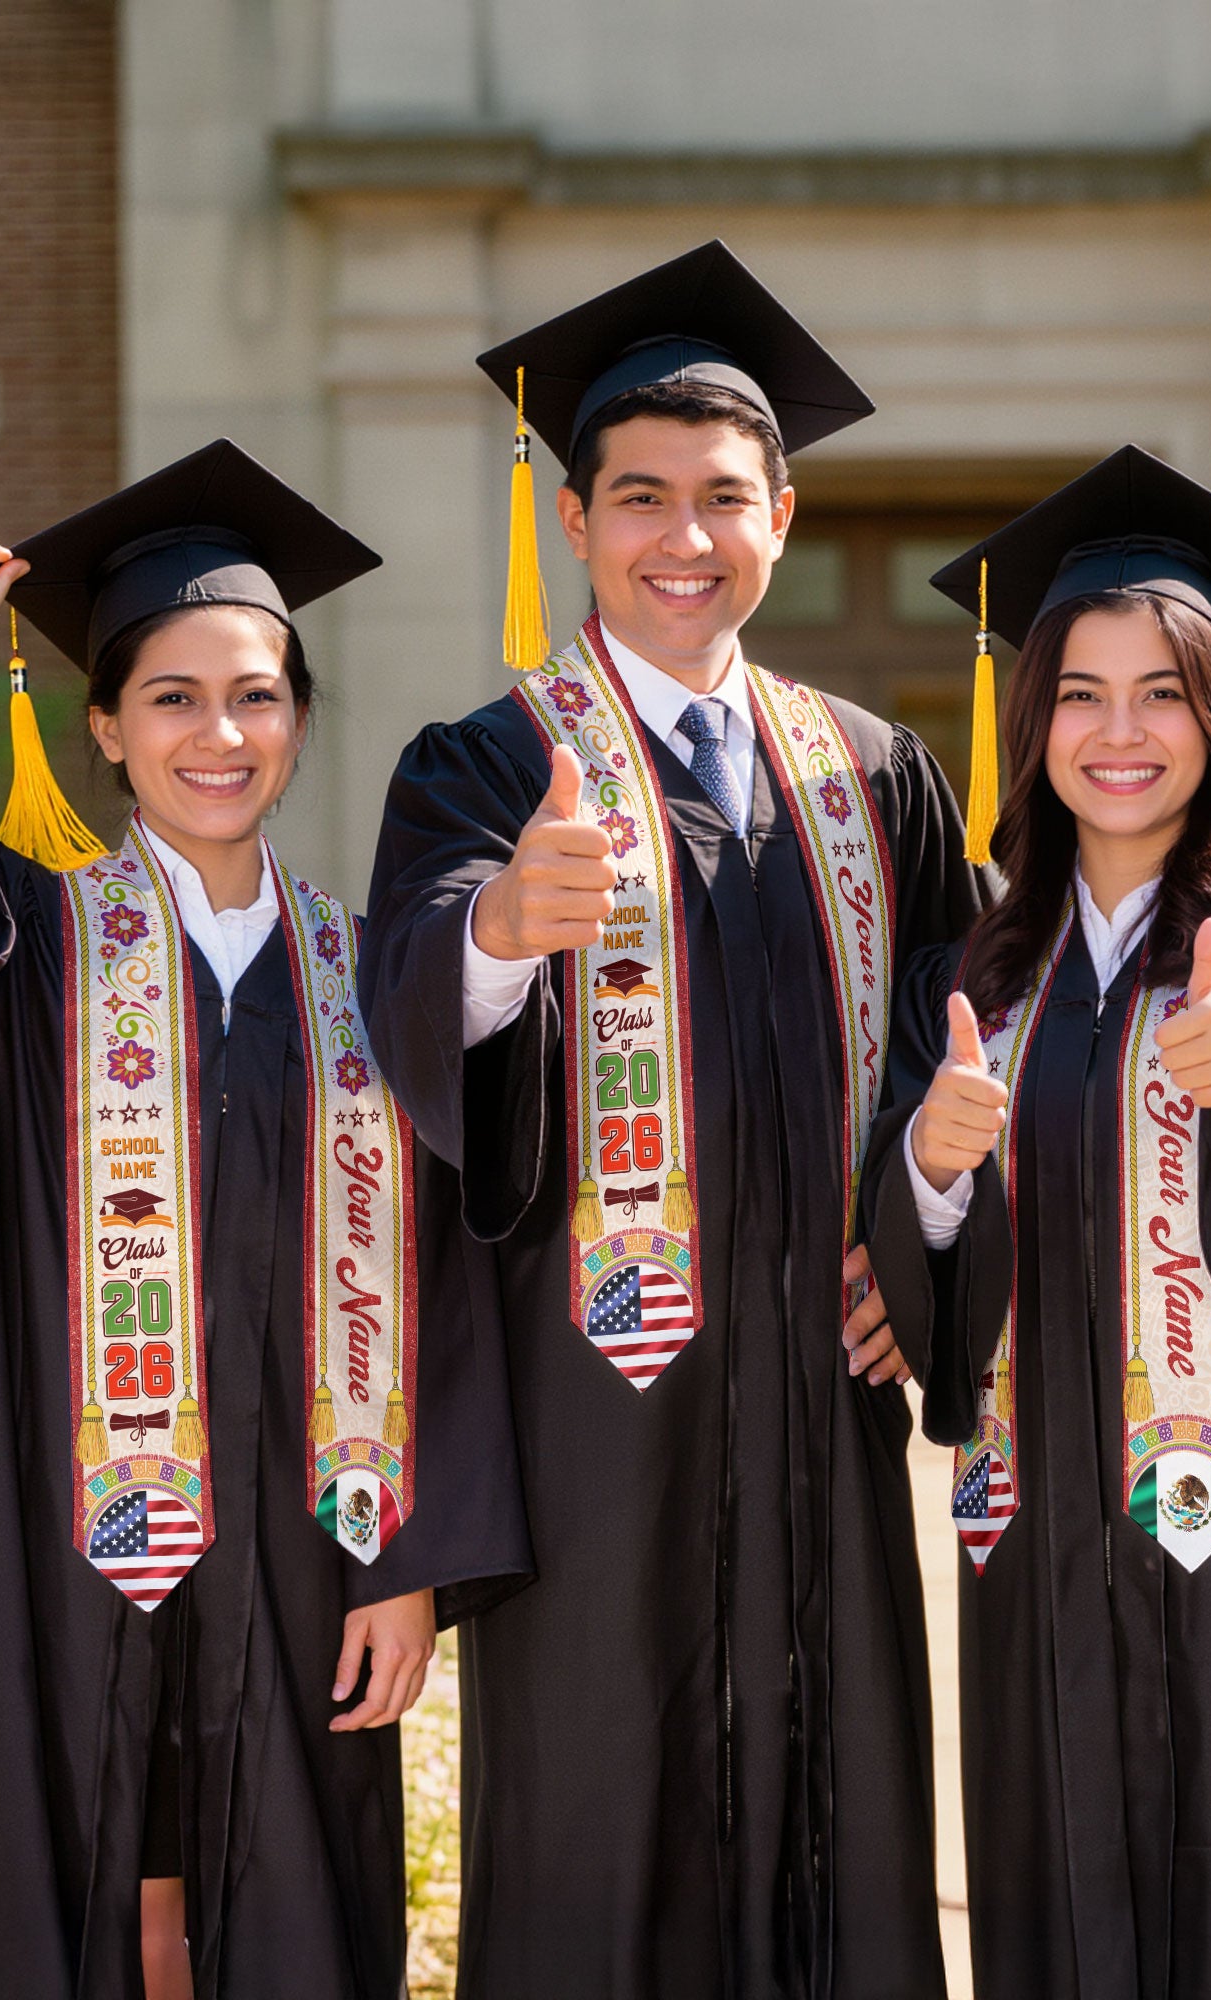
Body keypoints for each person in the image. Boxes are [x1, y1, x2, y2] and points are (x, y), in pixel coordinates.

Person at [360, 241, 987, 1999]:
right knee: (598, 1835)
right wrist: (496, 932)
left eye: (725, 498)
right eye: (641, 498)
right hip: (595, 1421)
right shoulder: (483, 764)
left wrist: (924, 1240)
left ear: (782, 514)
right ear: (576, 521)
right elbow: (407, 1007)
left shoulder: (876, 773)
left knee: (841, 1819)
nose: (683, 538)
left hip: (822, 1408)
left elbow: (975, 1045)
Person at [0, 440, 529, 2000]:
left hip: (310, 1549)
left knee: (287, 1895)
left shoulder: (377, 977)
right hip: (57, 1531)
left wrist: (410, 1561)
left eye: (256, 694)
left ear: (299, 720)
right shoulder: (19, 952)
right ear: (103, 726)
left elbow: (449, 1285)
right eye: (170, 697)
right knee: (65, 1867)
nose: (217, 733)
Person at [862, 446, 1211, 1999]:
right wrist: (928, 1156)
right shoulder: (965, 980)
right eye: (1081, 694)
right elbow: (911, 1256)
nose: (1122, 734)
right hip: (1039, 1522)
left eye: (1165, 692)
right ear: (1031, 720)